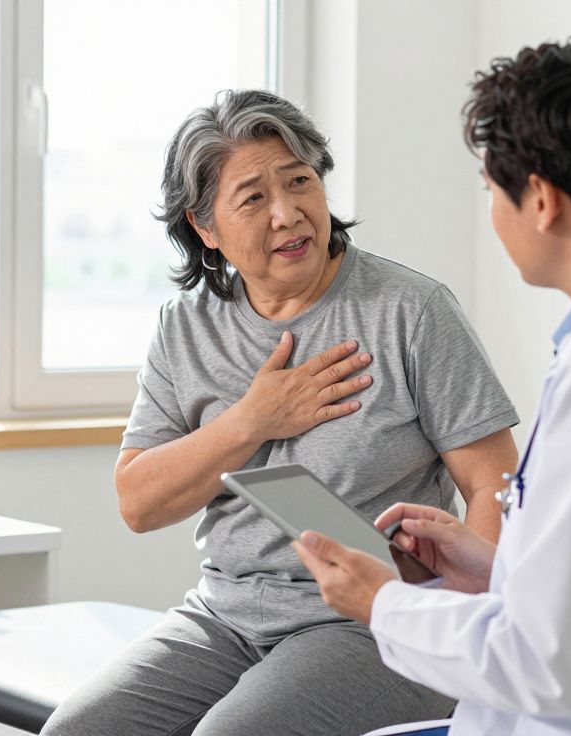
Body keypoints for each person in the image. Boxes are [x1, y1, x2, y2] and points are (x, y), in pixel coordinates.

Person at [294, 36, 571, 735]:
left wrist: (382, 602)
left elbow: (552, 661)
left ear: (540, 200)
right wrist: (497, 569)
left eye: (490, 191)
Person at [41, 89, 519, 736]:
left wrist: (454, 622)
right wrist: (252, 420)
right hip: (225, 615)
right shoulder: (186, 328)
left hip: (373, 620)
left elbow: (495, 484)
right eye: (253, 198)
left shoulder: (411, 311)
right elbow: (139, 503)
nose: (288, 214)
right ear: (205, 229)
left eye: (300, 182)